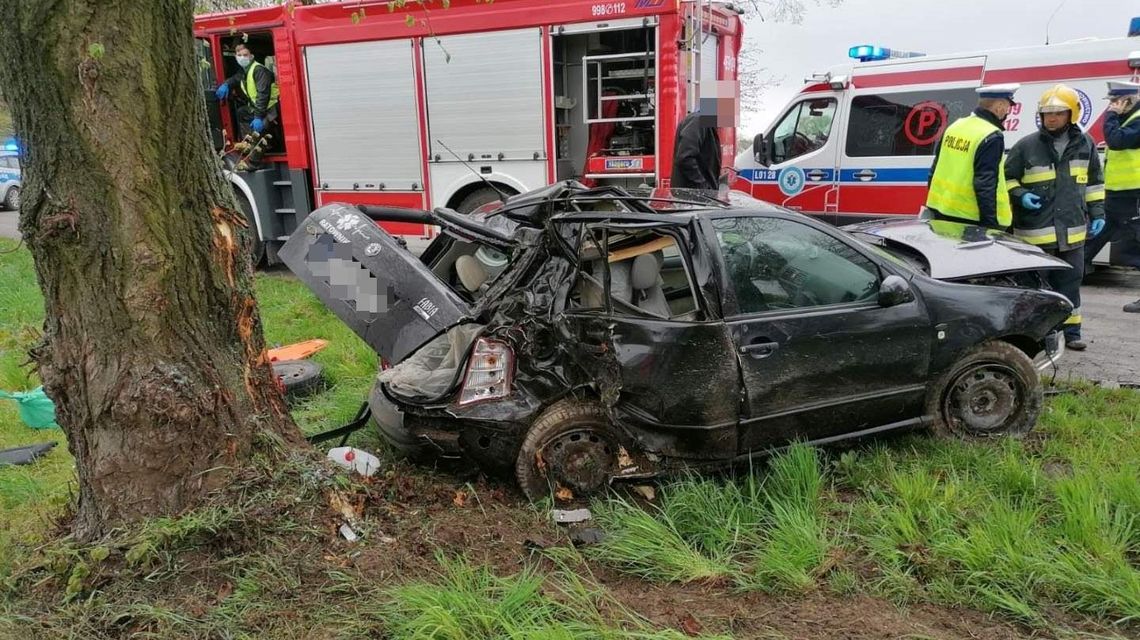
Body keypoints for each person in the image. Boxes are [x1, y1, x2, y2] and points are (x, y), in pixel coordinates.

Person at [1004, 84, 1104, 351]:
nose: (1051, 118)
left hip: (1072, 233)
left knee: (1070, 284)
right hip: (1035, 235)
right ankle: (1036, 338)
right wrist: (1021, 194)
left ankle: (1072, 334)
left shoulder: (1086, 145)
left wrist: (1098, 213)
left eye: (1058, 113)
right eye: (1047, 113)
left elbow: (1094, 182)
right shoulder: (1026, 146)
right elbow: (1007, 178)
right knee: (1036, 288)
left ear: (1072, 114)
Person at [924, 84, 1020, 231]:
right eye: (1008, 106)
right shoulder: (991, 135)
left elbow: (935, 168)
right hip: (972, 219)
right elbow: (985, 184)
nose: (1007, 111)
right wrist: (990, 225)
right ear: (999, 106)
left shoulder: (955, 126)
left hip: (942, 212)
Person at [1084, 80, 1140, 312]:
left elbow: (1117, 141)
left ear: (1127, 100)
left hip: (1134, 194)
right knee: (1096, 235)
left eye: (1115, 102)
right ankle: (1070, 276)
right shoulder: (1127, 119)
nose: (1111, 106)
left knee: (1137, 244)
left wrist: (1111, 116)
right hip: (1117, 193)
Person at [214, 44, 280, 165]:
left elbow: (263, 95)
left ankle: (253, 163)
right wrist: (226, 84)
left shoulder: (259, 70)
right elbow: (235, 78)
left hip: (271, 108)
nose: (242, 58)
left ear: (251, 56)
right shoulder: (245, 71)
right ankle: (248, 145)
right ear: (235, 57)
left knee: (259, 130)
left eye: (245, 55)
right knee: (242, 112)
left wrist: (258, 117)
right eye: (239, 55)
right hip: (260, 108)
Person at [671, 81, 736, 193]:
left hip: (696, 197)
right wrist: (704, 187)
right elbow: (685, 157)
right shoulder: (698, 121)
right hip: (690, 199)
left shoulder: (706, 124)